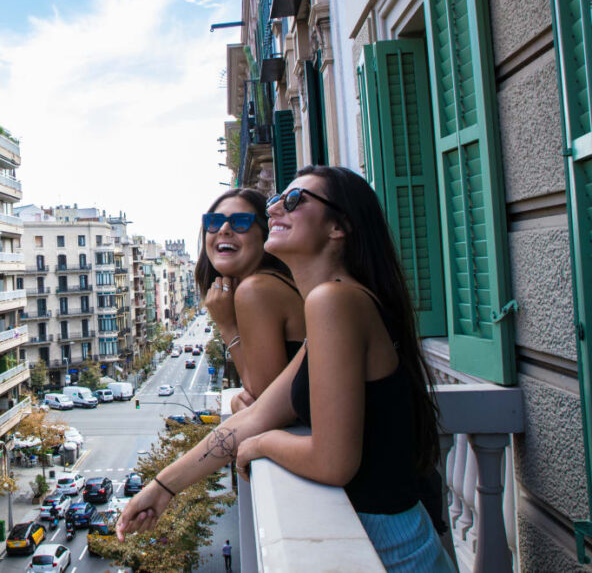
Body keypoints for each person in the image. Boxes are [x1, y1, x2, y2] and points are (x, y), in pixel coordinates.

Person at [117, 166, 455, 571]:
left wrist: (260, 445)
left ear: (338, 227)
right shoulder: (339, 303)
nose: (275, 208)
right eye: (277, 199)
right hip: (395, 540)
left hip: (390, 551)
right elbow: (258, 413)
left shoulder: (334, 301)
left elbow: (332, 461)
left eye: (294, 201)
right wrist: (162, 487)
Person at [195, 189, 305, 413]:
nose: (224, 229)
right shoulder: (273, 283)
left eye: (241, 222)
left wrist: (227, 326)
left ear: (265, 235)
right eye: (214, 222)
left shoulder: (256, 291)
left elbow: (266, 407)